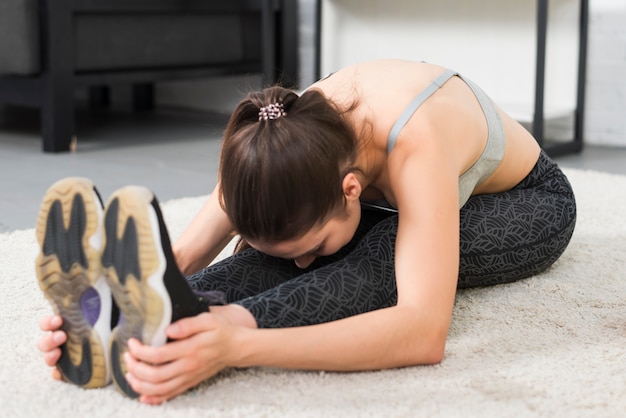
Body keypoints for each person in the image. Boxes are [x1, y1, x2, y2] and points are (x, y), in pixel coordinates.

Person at [35, 59, 576, 405]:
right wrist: (105, 304)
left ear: (349, 188)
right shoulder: (281, 139)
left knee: (380, 249)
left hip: (527, 203)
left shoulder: (417, 144)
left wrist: (238, 346)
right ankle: (179, 313)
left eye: (311, 247)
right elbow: (184, 250)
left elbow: (422, 331)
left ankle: (214, 326)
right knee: (282, 238)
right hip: (367, 199)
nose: (302, 263)